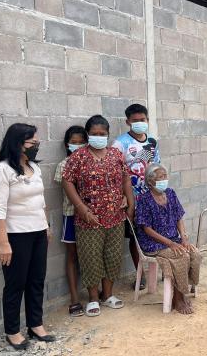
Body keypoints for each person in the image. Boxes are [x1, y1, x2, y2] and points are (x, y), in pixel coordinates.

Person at [0, 124, 56, 351]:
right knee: (16, 284)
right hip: (15, 235)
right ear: (17, 143)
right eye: (32, 143)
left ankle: (35, 324)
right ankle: (13, 331)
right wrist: (4, 243)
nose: (36, 147)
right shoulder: (1, 170)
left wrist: (45, 226)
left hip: (37, 232)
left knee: (37, 279)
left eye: (37, 143)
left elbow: (41, 201)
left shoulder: (34, 168)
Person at [62, 115, 135, 317]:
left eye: (102, 134)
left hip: (115, 217)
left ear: (108, 134)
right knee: (90, 258)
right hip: (89, 219)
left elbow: (125, 179)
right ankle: (93, 298)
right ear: (88, 135)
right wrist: (82, 208)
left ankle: (108, 295)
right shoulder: (78, 157)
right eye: (94, 134)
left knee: (112, 256)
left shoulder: (115, 154)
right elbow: (67, 181)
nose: (98, 137)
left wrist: (130, 202)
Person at [135, 163, 200, 314]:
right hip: (153, 243)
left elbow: (179, 218)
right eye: (160, 177)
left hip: (173, 239)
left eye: (165, 176)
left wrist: (183, 238)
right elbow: (146, 229)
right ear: (150, 182)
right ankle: (177, 298)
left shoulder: (170, 193)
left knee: (194, 253)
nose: (165, 179)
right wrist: (170, 243)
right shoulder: (144, 200)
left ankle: (183, 292)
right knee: (181, 255)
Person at [112, 104, 160, 290]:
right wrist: (123, 197)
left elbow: (156, 169)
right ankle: (140, 276)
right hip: (132, 200)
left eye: (143, 120)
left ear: (147, 120)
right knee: (135, 238)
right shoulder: (120, 144)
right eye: (135, 121)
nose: (139, 123)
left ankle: (155, 272)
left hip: (150, 198)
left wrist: (158, 193)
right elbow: (114, 173)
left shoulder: (152, 142)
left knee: (154, 234)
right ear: (127, 122)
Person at [54, 126, 88, 317]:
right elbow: (67, 187)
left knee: (91, 255)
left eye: (80, 142)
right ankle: (74, 299)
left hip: (93, 215)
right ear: (67, 144)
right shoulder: (64, 164)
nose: (77, 145)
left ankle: (94, 294)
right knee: (72, 256)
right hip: (71, 215)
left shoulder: (93, 161)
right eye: (73, 142)